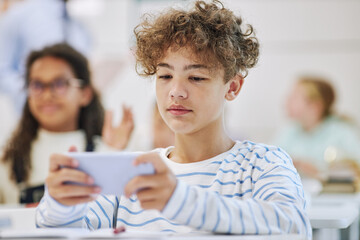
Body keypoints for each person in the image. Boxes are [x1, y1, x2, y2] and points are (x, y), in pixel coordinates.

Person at [36, 1, 311, 238]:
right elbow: (74, 230)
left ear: (232, 87)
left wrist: (181, 201)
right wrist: (61, 205)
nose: (176, 92)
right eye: (165, 76)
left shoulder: (262, 164)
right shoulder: (134, 172)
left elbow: (293, 226)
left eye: (196, 77)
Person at [0, 43, 134, 204]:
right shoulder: (8, 161)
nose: (47, 95)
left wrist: (113, 152)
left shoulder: (107, 149)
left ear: (85, 94)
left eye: (59, 84)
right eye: (37, 85)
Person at [0, 0, 91, 113]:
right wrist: (32, 91)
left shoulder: (78, 27)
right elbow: (2, 70)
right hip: (32, 115)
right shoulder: (18, 17)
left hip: (74, 116)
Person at [273, 76, 360, 179]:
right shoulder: (289, 131)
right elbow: (271, 160)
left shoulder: (342, 133)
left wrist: (319, 172)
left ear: (316, 105)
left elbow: (355, 169)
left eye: (294, 97)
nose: (287, 101)